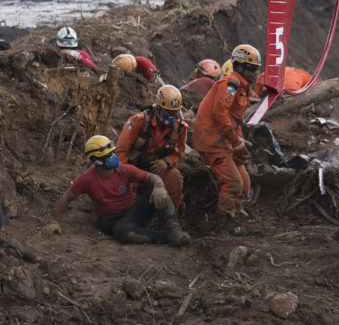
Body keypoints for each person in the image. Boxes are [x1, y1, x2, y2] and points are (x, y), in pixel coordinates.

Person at [42, 135, 190, 246]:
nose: (112, 158)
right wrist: (55, 222)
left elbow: (151, 177)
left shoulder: (124, 170)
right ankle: (163, 238)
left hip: (134, 211)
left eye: (112, 153)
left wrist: (158, 186)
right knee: (123, 232)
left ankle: (174, 230)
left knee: (159, 191)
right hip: (112, 221)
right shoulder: (87, 179)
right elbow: (66, 197)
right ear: (96, 160)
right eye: (107, 156)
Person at [192, 44, 260, 219]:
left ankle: (235, 211)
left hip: (224, 138)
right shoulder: (229, 84)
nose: (255, 72)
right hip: (211, 140)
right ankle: (223, 220)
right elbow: (219, 113)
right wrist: (235, 141)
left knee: (245, 183)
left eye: (257, 69)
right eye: (251, 68)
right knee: (233, 183)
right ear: (239, 67)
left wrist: (239, 143)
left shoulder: (242, 88)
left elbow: (234, 120)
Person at [115, 85, 188, 210]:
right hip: (134, 168)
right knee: (125, 198)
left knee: (175, 178)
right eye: (167, 112)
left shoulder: (179, 128)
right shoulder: (138, 121)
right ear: (158, 108)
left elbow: (178, 154)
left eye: (174, 113)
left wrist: (167, 161)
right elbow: (121, 151)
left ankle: (170, 217)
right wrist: (124, 177)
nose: (170, 117)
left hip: (156, 170)